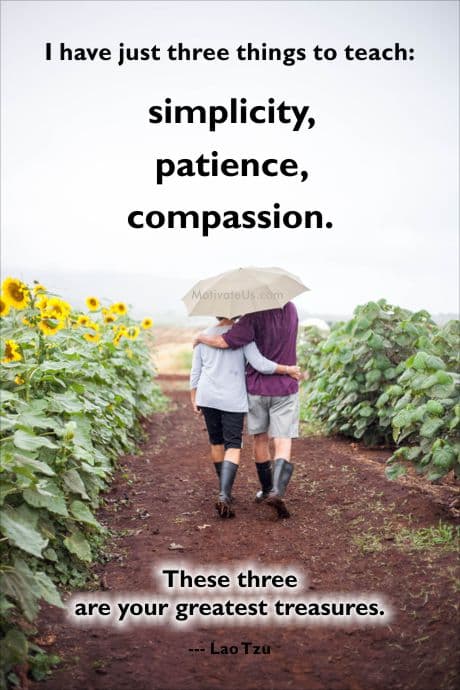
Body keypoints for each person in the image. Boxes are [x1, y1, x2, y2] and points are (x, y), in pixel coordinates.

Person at [195, 301, 299, 519]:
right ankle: (276, 491)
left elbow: (219, 348)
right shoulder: (291, 309)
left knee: (255, 440)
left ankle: (237, 492)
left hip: (253, 390)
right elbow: (262, 359)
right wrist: (288, 369)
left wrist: (200, 337)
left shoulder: (249, 319)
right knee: (282, 439)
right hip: (282, 388)